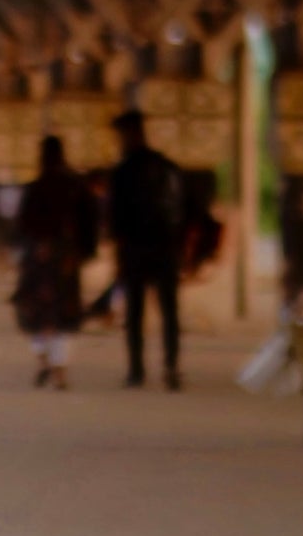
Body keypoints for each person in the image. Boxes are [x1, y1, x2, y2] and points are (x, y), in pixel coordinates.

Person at [105, 108, 185, 388]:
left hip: (138, 249)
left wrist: (118, 253)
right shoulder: (165, 166)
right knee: (168, 310)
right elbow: (184, 210)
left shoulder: (123, 172)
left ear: (131, 134)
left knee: (137, 311)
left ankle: (138, 370)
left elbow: (115, 218)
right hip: (164, 248)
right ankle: (170, 366)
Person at [11, 134, 97, 388]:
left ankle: (44, 361)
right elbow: (89, 222)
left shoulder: (35, 187)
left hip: (39, 257)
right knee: (64, 313)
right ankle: (60, 369)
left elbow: (23, 225)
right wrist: (85, 252)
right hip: (67, 258)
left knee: (36, 312)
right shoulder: (76, 187)